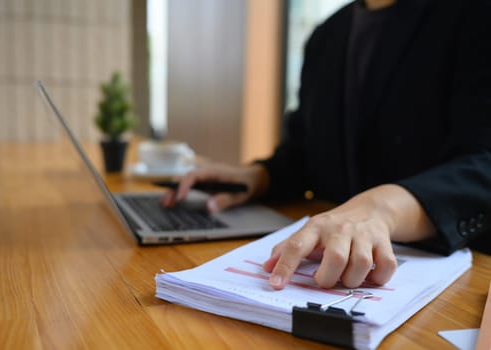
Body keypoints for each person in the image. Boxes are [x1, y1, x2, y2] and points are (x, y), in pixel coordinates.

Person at [162, 0, 491, 290]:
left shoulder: (474, 14)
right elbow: (304, 156)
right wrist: (255, 177)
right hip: (342, 265)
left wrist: (382, 209)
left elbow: (482, 164)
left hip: (461, 275)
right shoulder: (327, 35)